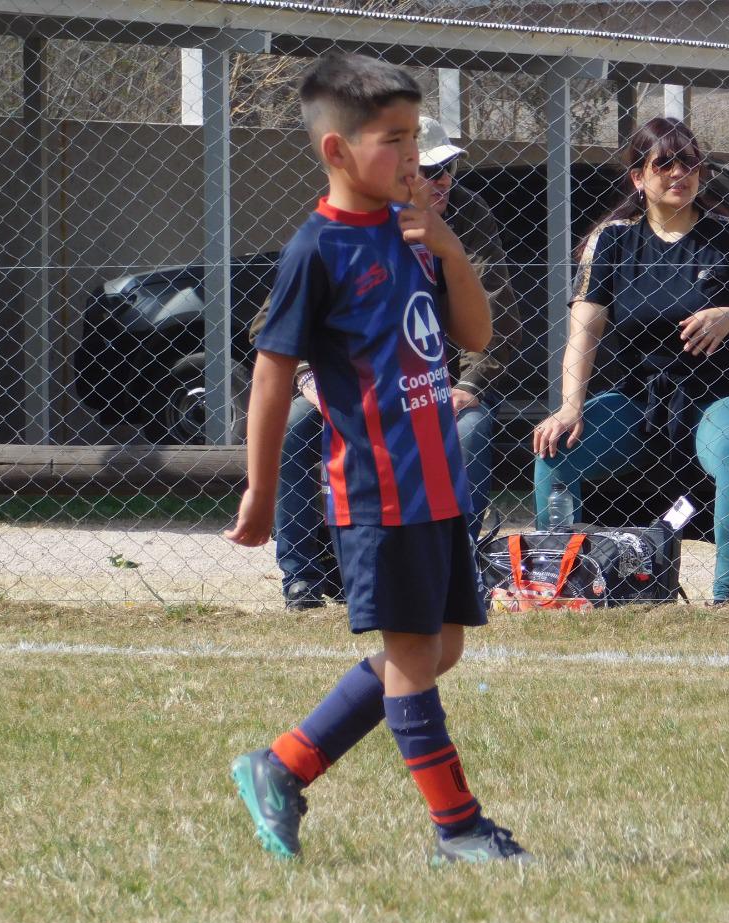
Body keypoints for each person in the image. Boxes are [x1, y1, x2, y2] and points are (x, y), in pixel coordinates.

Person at [225, 52, 531, 864]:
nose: (416, 165)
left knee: (440, 648)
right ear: (337, 152)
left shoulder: (414, 236)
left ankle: (283, 765)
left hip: (438, 483)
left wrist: (449, 246)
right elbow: (269, 375)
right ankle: (457, 831)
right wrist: (259, 489)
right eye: (395, 142)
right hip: (379, 491)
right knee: (410, 657)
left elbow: (475, 337)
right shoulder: (316, 251)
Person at [532, 117, 729, 604]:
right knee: (555, 448)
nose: (678, 173)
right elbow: (583, 335)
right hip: (639, 400)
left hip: (724, 394)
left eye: (689, 162)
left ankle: (725, 600)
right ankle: (561, 586)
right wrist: (569, 406)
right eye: (663, 163)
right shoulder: (610, 241)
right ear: (638, 177)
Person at [272, 116, 522, 610]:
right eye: (429, 172)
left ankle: (453, 566)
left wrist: (469, 382)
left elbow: (495, 318)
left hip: (433, 384)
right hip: (352, 384)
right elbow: (272, 323)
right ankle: (301, 576)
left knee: (470, 429)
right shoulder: (339, 224)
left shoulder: (464, 216)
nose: (444, 182)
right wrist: (307, 378)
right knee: (296, 425)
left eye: (449, 168)